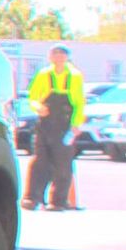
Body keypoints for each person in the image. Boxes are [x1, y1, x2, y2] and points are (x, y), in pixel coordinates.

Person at [22, 45, 86, 211]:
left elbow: (79, 102)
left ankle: (58, 201)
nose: (58, 58)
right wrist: (38, 107)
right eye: (55, 54)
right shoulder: (44, 74)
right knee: (40, 161)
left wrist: (76, 123)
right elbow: (33, 97)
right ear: (50, 57)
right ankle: (32, 198)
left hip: (65, 124)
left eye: (61, 54)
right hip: (45, 124)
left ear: (67, 57)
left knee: (63, 163)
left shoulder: (74, 76)